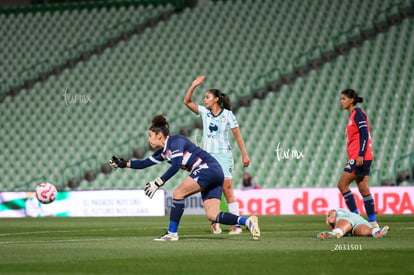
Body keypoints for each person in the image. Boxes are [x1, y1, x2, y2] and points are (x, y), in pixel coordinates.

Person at [109, 115, 260, 241]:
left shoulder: (175, 141)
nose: (149, 140)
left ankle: (172, 233)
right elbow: (143, 163)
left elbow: (175, 166)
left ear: (159, 135)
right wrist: (124, 164)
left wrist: (157, 183)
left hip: (207, 168)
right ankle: (247, 221)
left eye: (150, 136)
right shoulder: (163, 152)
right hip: (215, 172)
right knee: (212, 215)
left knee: (177, 194)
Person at [183, 75, 250, 235]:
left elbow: (237, 135)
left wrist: (244, 155)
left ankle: (236, 225)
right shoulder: (205, 112)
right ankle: (214, 222)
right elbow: (187, 102)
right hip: (207, 158)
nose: (204, 100)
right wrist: (193, 86)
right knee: (211, 188)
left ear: (216, 100)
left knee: (227, 189)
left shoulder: (228, 115)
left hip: (224, 156)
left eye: (207, 97)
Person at [337, 89, 378, 227]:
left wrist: (360, 154)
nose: (341, 101)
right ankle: (373, 223)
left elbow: (365, 134)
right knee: (363, 188)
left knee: (342, 185)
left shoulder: (358, 114)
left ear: (351, 100)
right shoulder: (353, 115)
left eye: (344, 99)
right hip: (360, 156)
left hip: (359, 156)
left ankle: (355, 217)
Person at [317, 208, 389, 239]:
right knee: (366, 231)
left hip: (348, 217)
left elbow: (332, 220)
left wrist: (328, 222)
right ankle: (377, 231)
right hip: (360, 221)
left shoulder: (334, 211)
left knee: (339, 230)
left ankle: (337, 232)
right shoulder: (339, 217)